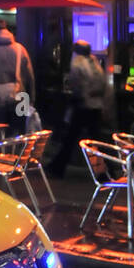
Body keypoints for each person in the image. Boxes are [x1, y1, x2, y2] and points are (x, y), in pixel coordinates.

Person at [47, 40, 107, 177]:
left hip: (83, 106)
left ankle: (57, 168)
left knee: (70, 139)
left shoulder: (77, 63)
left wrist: (77, 100)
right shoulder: (95, 63)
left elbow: (77, 86)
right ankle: (104, 170)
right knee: (96, 140)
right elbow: (103, 84)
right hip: (96, 106)